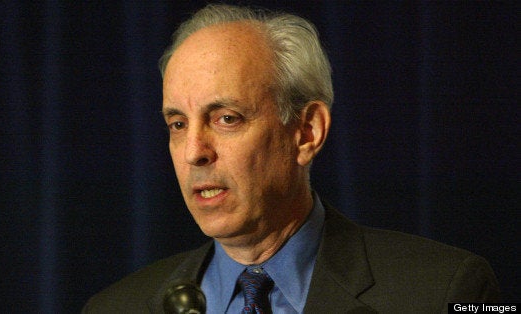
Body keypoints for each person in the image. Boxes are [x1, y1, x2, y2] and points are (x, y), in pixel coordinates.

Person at [83, 4, 499, 313]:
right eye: (177, 125)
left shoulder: (444, 291)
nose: (194, 152)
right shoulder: (116, 308)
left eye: (226, 118)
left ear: (306, 133)